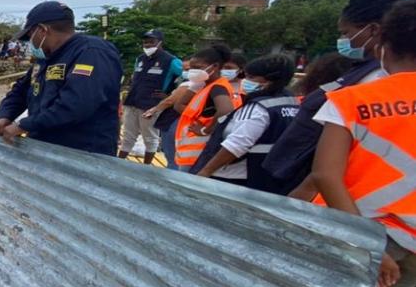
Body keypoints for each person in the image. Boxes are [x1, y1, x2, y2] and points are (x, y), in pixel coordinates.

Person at [264, 0, 416, 197]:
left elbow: (327, 172)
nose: (345, 40)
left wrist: (295, 202)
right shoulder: (362, 73)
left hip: (342, 205)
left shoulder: (374, 82)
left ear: (374, 30)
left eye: (346, 33)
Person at [311, 0, 416, 287]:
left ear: (382, 40)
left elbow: (325, 175)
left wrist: (368, 246)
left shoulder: (353, 100)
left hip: (359, 234)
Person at [0, 1, 123, 155]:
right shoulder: (45, 59)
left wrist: (23, 125)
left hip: (83, 153)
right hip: (45, 148)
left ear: (42, 30)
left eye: (29, 37)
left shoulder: (92, 52)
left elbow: (76, 105)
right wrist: (5, 116)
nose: (30, 44)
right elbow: (20, 91)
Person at [191, 54, 299, 192]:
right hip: (268, 175)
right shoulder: (291, 102)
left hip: (235, 176)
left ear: (269, 81)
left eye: (252, 78)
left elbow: (236, 145)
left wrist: (205, 172)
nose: (245, 81)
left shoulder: (259, 107)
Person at [119, 30, 182, 164]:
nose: (147, 45)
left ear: (160, 42)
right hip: (133, 101)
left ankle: (146, 167)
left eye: (151, 42)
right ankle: (119, 162)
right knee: (128, 136)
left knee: (150, 138)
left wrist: (171, 95)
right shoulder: (140, 59)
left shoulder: (171, 61)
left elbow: (186, 77)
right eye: (145, 42)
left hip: (151, 105)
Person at [172, 44, 236, 170]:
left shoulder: (218, 87)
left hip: (199, 152)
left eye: (198, 67)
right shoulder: (203, 85)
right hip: (188, 151)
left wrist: (205, 129)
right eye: (192, 68)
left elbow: (226, 110)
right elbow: (179, 105)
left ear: (215, 66)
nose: (193, 71)